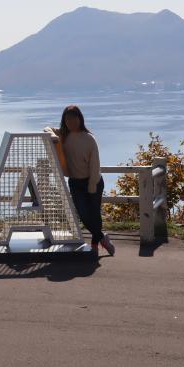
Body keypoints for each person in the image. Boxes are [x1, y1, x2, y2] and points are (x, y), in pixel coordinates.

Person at [46, 105, 115, 256]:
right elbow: (46, 128)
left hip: (93, 180)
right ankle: (104, 238)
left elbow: (95, 165)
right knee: (83, 214)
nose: (71, 122)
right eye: (67, 119)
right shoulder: (64, 135)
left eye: (74, 118)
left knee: (94, 215)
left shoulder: (89, 138)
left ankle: (95, 245)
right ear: (64, 121)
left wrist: (92, 186)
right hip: (75, 182)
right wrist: (53, 137)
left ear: (80, 119)